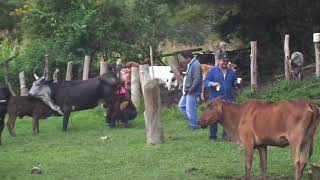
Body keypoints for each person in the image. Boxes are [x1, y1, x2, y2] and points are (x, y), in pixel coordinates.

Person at [204, 52, 238, 140]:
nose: (225, 63)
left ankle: (226, 136)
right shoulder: (212, 71)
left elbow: (234, 83)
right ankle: (213, 136)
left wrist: (236, 83)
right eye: (223, 61)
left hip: (228, 99)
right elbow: (206, 82)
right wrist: (212, 84)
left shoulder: (231, 72)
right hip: (215, 99)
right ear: (219, 61)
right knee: (213, 117)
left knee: (228, 118)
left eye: (226, 61)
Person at [178, 51, 203, 129]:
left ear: (188, 58)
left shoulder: (195, 65)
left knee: (190, 109)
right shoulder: (191, 64)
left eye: (183, 58)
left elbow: (197, 78)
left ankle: (194, 126)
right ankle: (195, 122)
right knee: (181, 106)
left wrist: (192, 88)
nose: (182, 60)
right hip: (187, 90)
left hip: (192, 91)